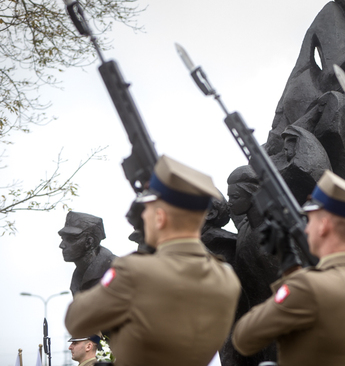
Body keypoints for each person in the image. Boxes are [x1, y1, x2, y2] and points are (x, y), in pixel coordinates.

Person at [65, 155, 241, 366]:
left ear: (161, 217)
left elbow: (76, 320)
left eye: (147, 209)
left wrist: (145, 252)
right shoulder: (226, 276)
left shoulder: (134, 270)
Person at [231, 170, 345, 365]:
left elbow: (243, 338)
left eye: (309, 219)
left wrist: (290, 275)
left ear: (323, 226)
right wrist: (291, 268)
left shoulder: (306, 287)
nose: (306, 227)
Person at [58, 212, 116, 295]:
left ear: (89, 242)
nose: (62, 245)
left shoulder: (115, 269)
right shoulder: (79, 274)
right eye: (63, 239)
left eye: (70, 240)